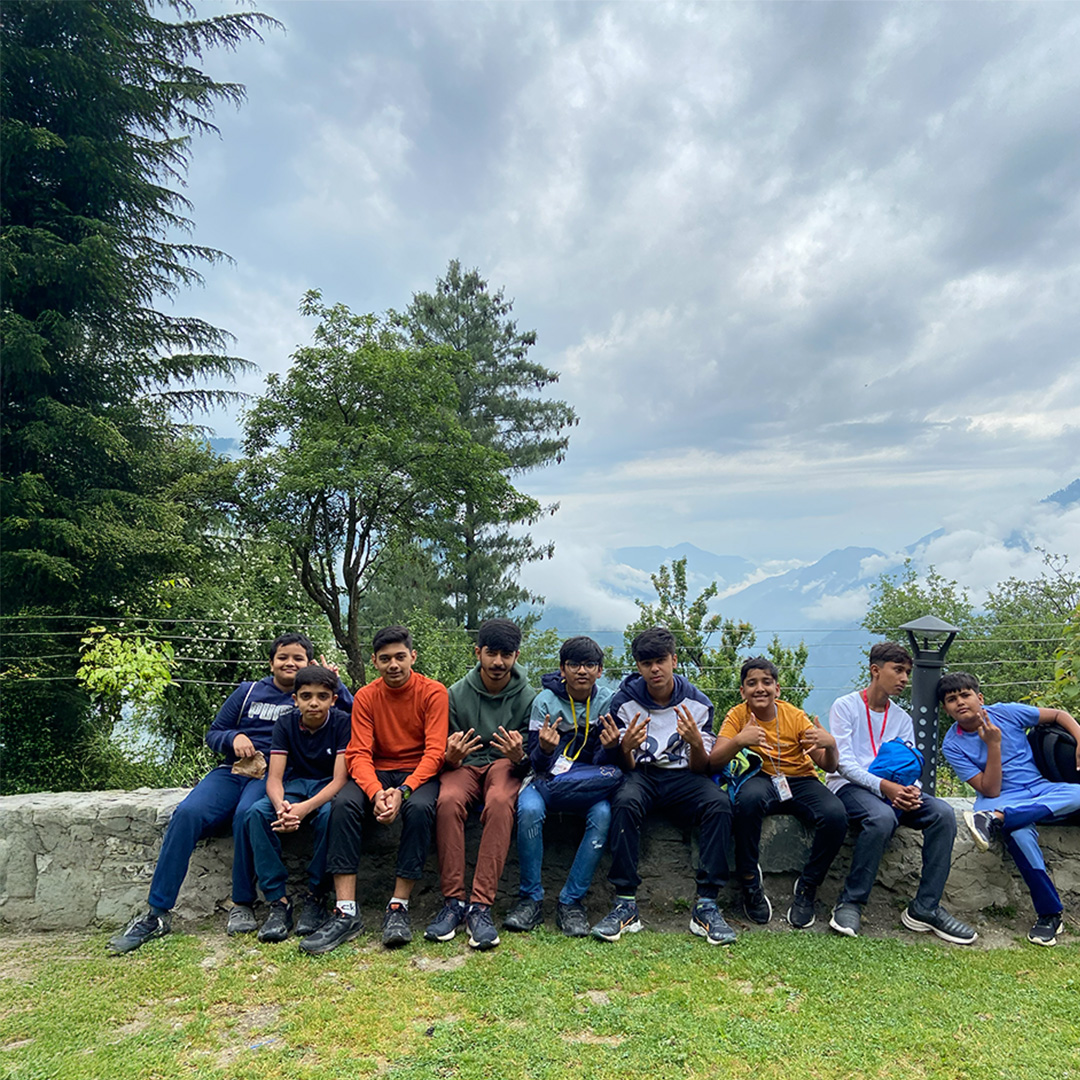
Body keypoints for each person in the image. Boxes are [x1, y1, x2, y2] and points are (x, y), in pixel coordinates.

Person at [108, 634, 352, 953]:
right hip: (234, 770)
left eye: (298, 659)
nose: (290, 663)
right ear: (271, 662)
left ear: (309, 664)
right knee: (187, 814)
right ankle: (157, 912)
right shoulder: (248, 691)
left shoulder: (315, 695)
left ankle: (243, 902)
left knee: (247, 814)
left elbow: (352, 716)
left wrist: (337, 682)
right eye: (283, 657)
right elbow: (214, 733)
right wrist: (233, 737)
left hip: (275, 774)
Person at [300, 626, 447, 954]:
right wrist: (375, 792)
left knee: (420, 809)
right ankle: (346, 911)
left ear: (413, 657)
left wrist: (403, 791)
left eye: (400, 657)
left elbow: (435, 752)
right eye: (385, 659)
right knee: (343, 804)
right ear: (374, 661)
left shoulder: (433, 692)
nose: (393, 664)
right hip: (376, 772)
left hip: (417, 773)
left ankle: (398, 905)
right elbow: (359, 753)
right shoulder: (366, 696)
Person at [592, 627, 736, 946]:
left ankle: (707, 905)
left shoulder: (698, 703)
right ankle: (625, 903)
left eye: (660, 661)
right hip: (642, 774)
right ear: (638, 666)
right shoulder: (624, 702)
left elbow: (700, 768)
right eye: (646, 663)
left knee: (719, 804)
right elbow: (625, 766)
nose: (654, 669)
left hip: (684, 776)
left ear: (674, 660)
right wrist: (625, 747)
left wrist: (696, 743)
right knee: (625, 801)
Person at [825, 642, 976, 944]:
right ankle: (850, 902)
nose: (905, 678)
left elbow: (911, 764)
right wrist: (886, 787)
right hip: (850, 786)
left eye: (907, 672)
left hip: (893, 789)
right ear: (875, 670)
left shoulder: (902, 718)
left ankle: (925, 908)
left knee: (942, 813)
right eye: (898, 670)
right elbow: (844, 764)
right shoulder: (846, 706)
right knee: (881, 818)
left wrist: (910, 792)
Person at [939, 671, 1080, 946]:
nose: (960, 702)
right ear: (946, 710)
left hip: (1038, 788)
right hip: (998, 797)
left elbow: (1057, 715)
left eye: (966, 695)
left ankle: (997, 819)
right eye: (952, 700)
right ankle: (1050, 914)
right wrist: (993, 745)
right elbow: (990, 789)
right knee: (1020, 834)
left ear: (980, 698)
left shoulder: (1006, 712)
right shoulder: (952, 744)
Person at [711, 656, 846, 929]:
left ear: (777, 688)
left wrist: (831, 745)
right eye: (752, 683)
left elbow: (827, 765)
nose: (760, 688)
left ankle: (808, 885)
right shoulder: (737, 716)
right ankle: (750, 880)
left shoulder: (794, 716)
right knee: (747, 801)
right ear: (743, 691)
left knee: (836, 815)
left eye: (766, 682)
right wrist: (739, 741)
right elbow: (714, 761)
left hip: (799, 778)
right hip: (759, 776)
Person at [424, 619, 535, 950]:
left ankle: (480, 906)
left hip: (503, 765)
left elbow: (530, 760)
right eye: (491, 653)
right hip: (466, 764)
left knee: (500, 802)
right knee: (448, 801)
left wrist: (519, 756)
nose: (498, 662)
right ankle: (453, 902)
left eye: (506, 655)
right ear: (478, 653)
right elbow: (442, 751)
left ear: (516, 656)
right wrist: (451, 757)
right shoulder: (455, 694)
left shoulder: (528, 697)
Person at [503, 636, 622, 937]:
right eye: (574, 664)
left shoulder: (608, 702)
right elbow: (537, 765)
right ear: (562, 669)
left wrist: (610, 748)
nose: (582, 671)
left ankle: (571, 902)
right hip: (546, 780)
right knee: (529, 809)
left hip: (588, 783)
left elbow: (602, 762)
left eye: (590, 665)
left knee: (603, 814)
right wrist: (544, 749)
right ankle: (530, 899)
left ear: (600, 670)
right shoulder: (544, 701)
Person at [243, 665, 351, 942]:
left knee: (330, 816)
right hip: (295, 786)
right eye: (306, 696)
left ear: (333, 700)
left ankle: (316, 895)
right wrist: (281, 807)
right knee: (257, 813)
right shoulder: (286, 723)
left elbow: (340, 780)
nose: (314, 703)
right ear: (295, 700)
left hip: (326, 788)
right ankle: (278, 901)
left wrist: (304, 809)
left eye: (322, 696)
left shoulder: (342, 723)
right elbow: (274, 778)